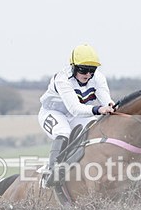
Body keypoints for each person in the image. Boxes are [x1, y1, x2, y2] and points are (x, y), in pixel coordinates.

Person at [37, 43, 116, 187]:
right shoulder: (62, 79)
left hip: (75, 114)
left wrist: (111, 106)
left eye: (92, 70)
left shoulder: (98, 78)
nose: (88, 75)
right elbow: (75, 109)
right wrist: (98, 109)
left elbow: (106, 100)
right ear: (73, 67)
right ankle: (51, 171)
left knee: (93, 129)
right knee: (64, 132)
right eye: (84, 70)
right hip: (53, 112)